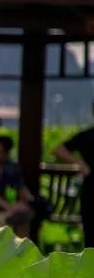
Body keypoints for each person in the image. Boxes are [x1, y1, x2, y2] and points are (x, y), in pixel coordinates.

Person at [53, 103, 94, 247]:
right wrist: (80, 163)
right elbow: (58, 150)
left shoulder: (86, 135)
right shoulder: (87, 136)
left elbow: (59, 150)